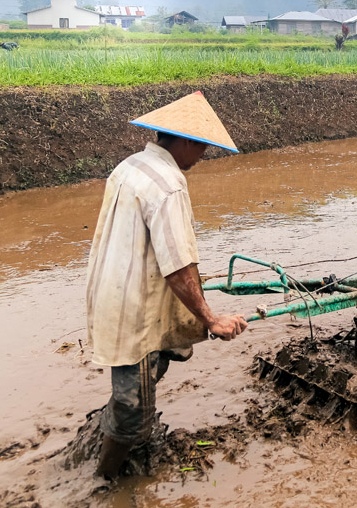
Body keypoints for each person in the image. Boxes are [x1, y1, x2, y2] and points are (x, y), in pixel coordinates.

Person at [85, 91, 248, 479]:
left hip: (110, 287)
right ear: (186, 141)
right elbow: (178, 267)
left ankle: (115, 431)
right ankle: (104, 482)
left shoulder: (131, 166)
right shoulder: (169, 185)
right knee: (132, 414)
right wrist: (212, 319)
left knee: (158, 361)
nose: (204, 156)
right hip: (133, 310)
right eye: (203, 147)